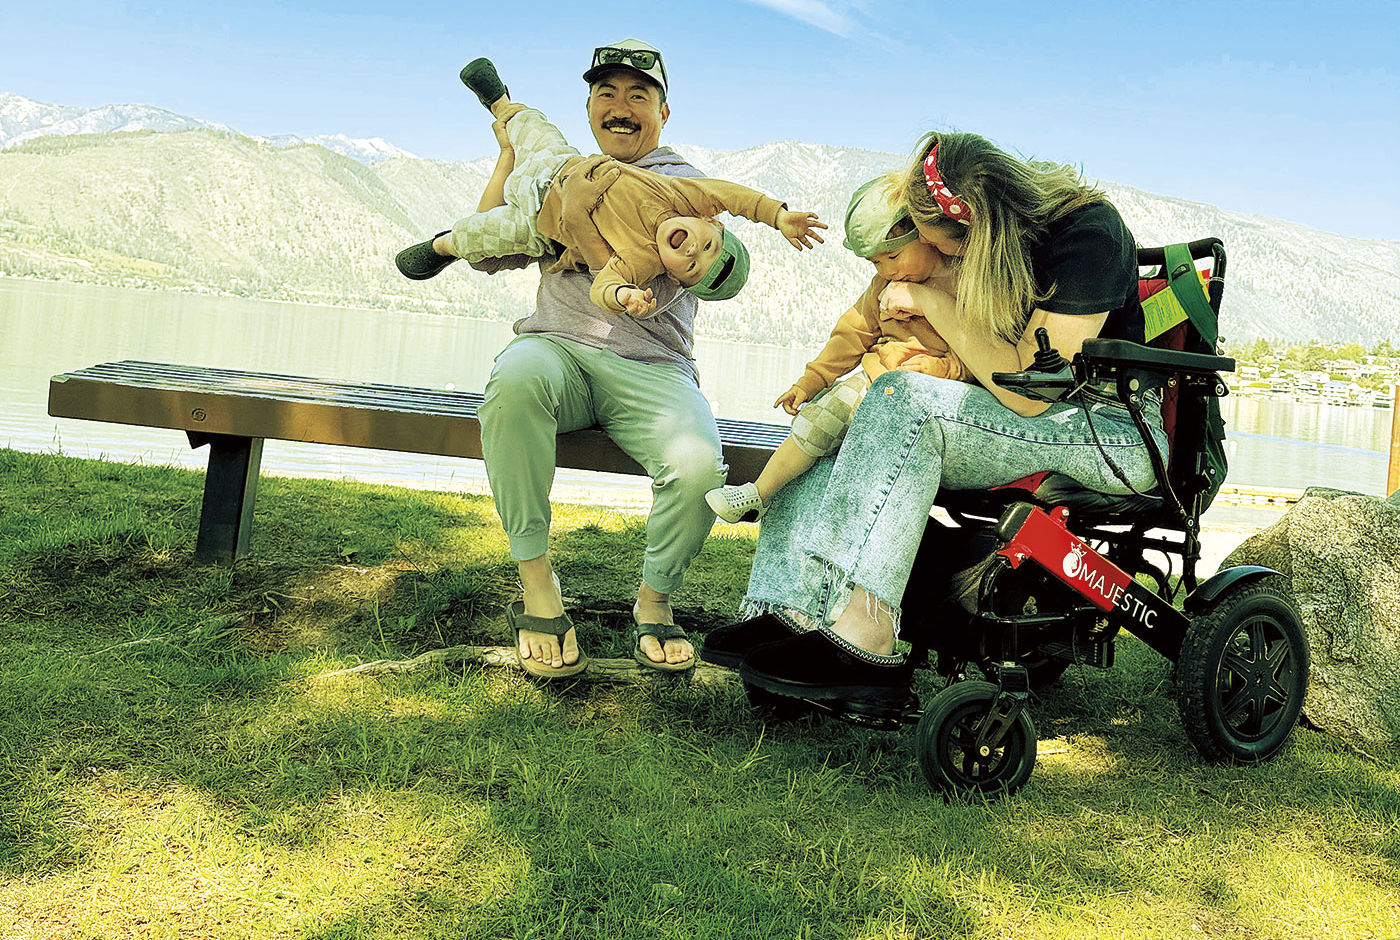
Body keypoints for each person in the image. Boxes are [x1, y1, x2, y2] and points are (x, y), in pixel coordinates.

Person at [700, 129, 1167, 718]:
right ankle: (789, 609)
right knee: (842, 415)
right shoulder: (990, 248)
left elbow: (1029, 392)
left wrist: (931, 304)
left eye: (929, 238)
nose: (925, 251)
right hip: (1024, 416)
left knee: (901, 400)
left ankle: (865, 639)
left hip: (1107, 432)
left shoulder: (1088, 235)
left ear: (971, 224)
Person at [401, 40, 790, 684]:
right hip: (557, 349)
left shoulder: (673, 183)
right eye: (606, 94)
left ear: (664, 113)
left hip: (652, 369)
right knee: (514, 380)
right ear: (587, 110)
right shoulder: (568, 176)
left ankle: (655, 600)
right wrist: (510, 155)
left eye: (639, 95)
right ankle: (537, 585)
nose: (620, 107)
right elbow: (490, 238)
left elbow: (700, 261)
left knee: (699, 466)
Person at [395, 71, 824, 316]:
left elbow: (605, 283)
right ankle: (500, 101)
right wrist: (777, 215)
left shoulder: (642, 261)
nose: (693, 250)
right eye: (707, 244)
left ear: (675, 279)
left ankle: (440, 245)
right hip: (557, 165)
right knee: (532, 125)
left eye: (692, 266)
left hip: (538, 224)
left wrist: (623, 296)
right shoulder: (682, 196)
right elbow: (734, 196)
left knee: (481, 236)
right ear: (709, 220)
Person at [704, 174, 968, 523]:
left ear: (924, 235)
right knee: (818, 419)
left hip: (933, 398)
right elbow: (852, 335)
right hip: (875, 383)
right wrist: (811, 380)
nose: (888, 270)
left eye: (893, 256)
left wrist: (945, 369)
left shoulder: (964, 284)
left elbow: (982, 352)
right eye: (876, 263)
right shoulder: (883, 286)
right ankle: (759, 493)